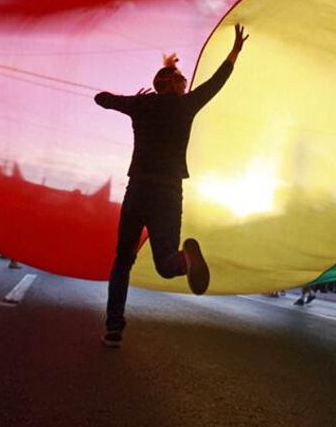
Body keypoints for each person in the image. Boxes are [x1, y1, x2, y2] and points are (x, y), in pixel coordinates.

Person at [95, 24, 248, 348]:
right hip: (168, 193)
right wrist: (235, 50)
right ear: (173, 86)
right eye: (181, 79)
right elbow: (218, 81)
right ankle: (184, 260)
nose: (185, 82)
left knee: (123, 259)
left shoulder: (141, 105)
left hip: (138, 190)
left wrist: (134, 100)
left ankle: (113, 327)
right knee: (166, 263)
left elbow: (101, 99)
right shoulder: (185, 105)